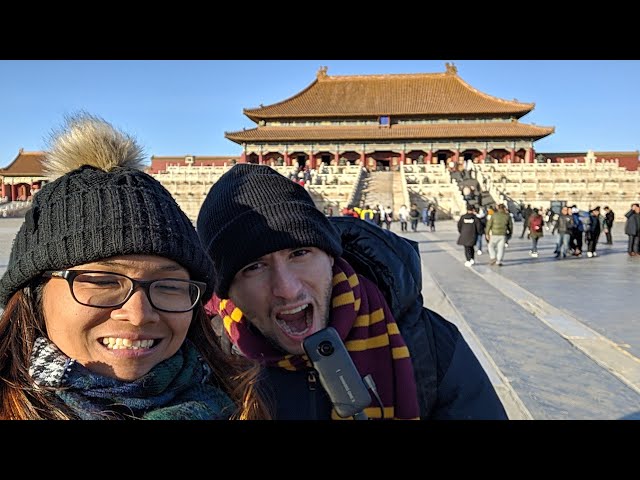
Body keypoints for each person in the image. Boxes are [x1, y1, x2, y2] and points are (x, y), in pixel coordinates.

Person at [0, 113, 269, 420]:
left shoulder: (242, 403)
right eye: (102, 281)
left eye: (169, 286)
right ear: (34, 294)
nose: (139, 315)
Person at [196, 164, 508, 420]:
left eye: (300, 253)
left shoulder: (431, 345)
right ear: (228, 291)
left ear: (331, 256)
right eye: (254, 267)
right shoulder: (207, 366)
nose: (288, 290)